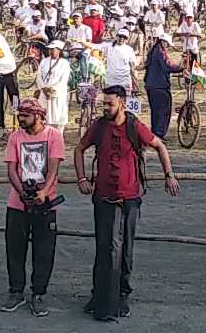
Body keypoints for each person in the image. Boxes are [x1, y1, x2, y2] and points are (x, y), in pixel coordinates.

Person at [73, 86, 179, 322]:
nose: (105, 107)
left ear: (122, 102)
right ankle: (99, 294)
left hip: (129, 198)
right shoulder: (99, 126)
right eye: (104, 103)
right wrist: (81, 178)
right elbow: (79, 148)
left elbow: (160, 146)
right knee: (103, 248)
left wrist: (168, 174)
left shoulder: (134, 126)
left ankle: (121, 294)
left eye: (110, 103)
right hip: (102, 196)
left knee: (125, 250)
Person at [1, 99, 65, 317]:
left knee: (44, 251)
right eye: (20, 115)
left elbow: (54, 168)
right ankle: (16, 291)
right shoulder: (15, 137)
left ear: (38, 116)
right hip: (17, 204)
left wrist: (44, 192)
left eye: (26, 115)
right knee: (15, 250)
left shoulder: (54, 136)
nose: (21, 119)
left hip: (45, 204)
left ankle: (39, 294)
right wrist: (22, 193)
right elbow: (11, 169)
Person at [142, 35, 183, 139]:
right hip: (159, 85)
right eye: (167, 44)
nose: (168, 46)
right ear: (163, 42)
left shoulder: (153, 52)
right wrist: (180, 69)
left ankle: (155, 132)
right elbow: (167, 67)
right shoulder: (159, 53)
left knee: (155, 111)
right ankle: (159, 133)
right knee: (163, 111)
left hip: (151, 85)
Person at [35, 40, 72, 132]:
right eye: (50, 49)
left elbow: (63, 80)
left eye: (53, 49)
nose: (51, 51)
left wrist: (51, 90)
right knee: (45, 115)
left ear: (59, 50)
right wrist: (43, 88)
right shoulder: (44, 61)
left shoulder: (64, 63)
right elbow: (39, 76)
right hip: (44, 93)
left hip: (57, 94)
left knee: (58, 116)